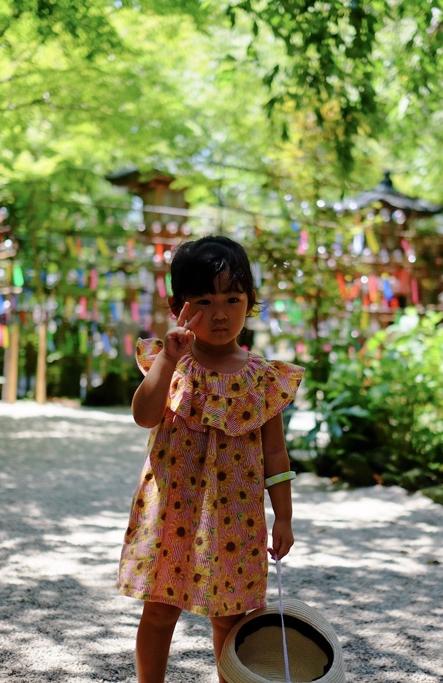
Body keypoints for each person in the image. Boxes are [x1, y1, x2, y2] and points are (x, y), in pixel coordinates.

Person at [117, 235, 304, 683]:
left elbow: (275, 452)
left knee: (231, 621)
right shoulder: (170, 363)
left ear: (250, 301)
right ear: (177, 305)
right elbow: (145, 416)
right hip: (171, 513)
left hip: (237, 518)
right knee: (160, 612)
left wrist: (284, 517)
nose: (220, 313)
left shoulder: (263, 378)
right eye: (204, 300)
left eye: (233, 298)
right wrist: (168, 359)